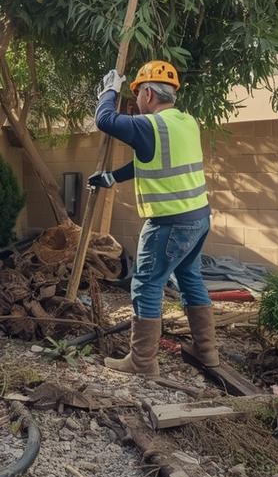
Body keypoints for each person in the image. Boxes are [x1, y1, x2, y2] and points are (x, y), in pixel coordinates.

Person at [86, 60, 216, 377]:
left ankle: (142, 362)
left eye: (136, 96)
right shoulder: (186, 122)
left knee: (146, 284)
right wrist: (112, 177)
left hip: (169, 224)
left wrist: (109, 89)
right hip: (198, 218)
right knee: (190, 279)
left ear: (147, 93)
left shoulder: (150, 126)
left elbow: (104, 120)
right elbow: (150, 161)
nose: (136, 104)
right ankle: (207, 351)